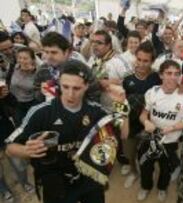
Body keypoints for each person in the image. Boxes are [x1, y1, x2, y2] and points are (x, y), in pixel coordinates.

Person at [6, 60, 108, 203]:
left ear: (86, 86)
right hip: (54, 180)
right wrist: (26, 150)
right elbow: (9, 148)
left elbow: (121, 134)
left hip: (89, 178)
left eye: (76, 88)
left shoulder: (96, 111)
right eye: (65, 87)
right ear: (59, 84)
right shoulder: (41, 112)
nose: (70, 94)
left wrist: (122, 103)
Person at [137, 60, 183, 201]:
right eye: (168, 73)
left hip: (170, 141)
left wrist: (172, 128)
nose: (173, 77)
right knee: (145, 165)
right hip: (151, 138)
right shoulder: (152, 92)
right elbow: (143, 114)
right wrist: (146, 122)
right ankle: (145, 186)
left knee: (166, 168)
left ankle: (162, 188)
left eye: (176, 74)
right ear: (161, 75)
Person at [122, 42, 161, 189]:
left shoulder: (157, 77)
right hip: (130, 124)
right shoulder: (126, 78)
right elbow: (120, 103)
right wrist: (122, 121)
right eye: (139, 59)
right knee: (129, 153)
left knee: (149, 155)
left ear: (152, 61)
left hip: (150, 124)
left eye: (146, 61)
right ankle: (133, 172)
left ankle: (147, 175)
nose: (142, 64)